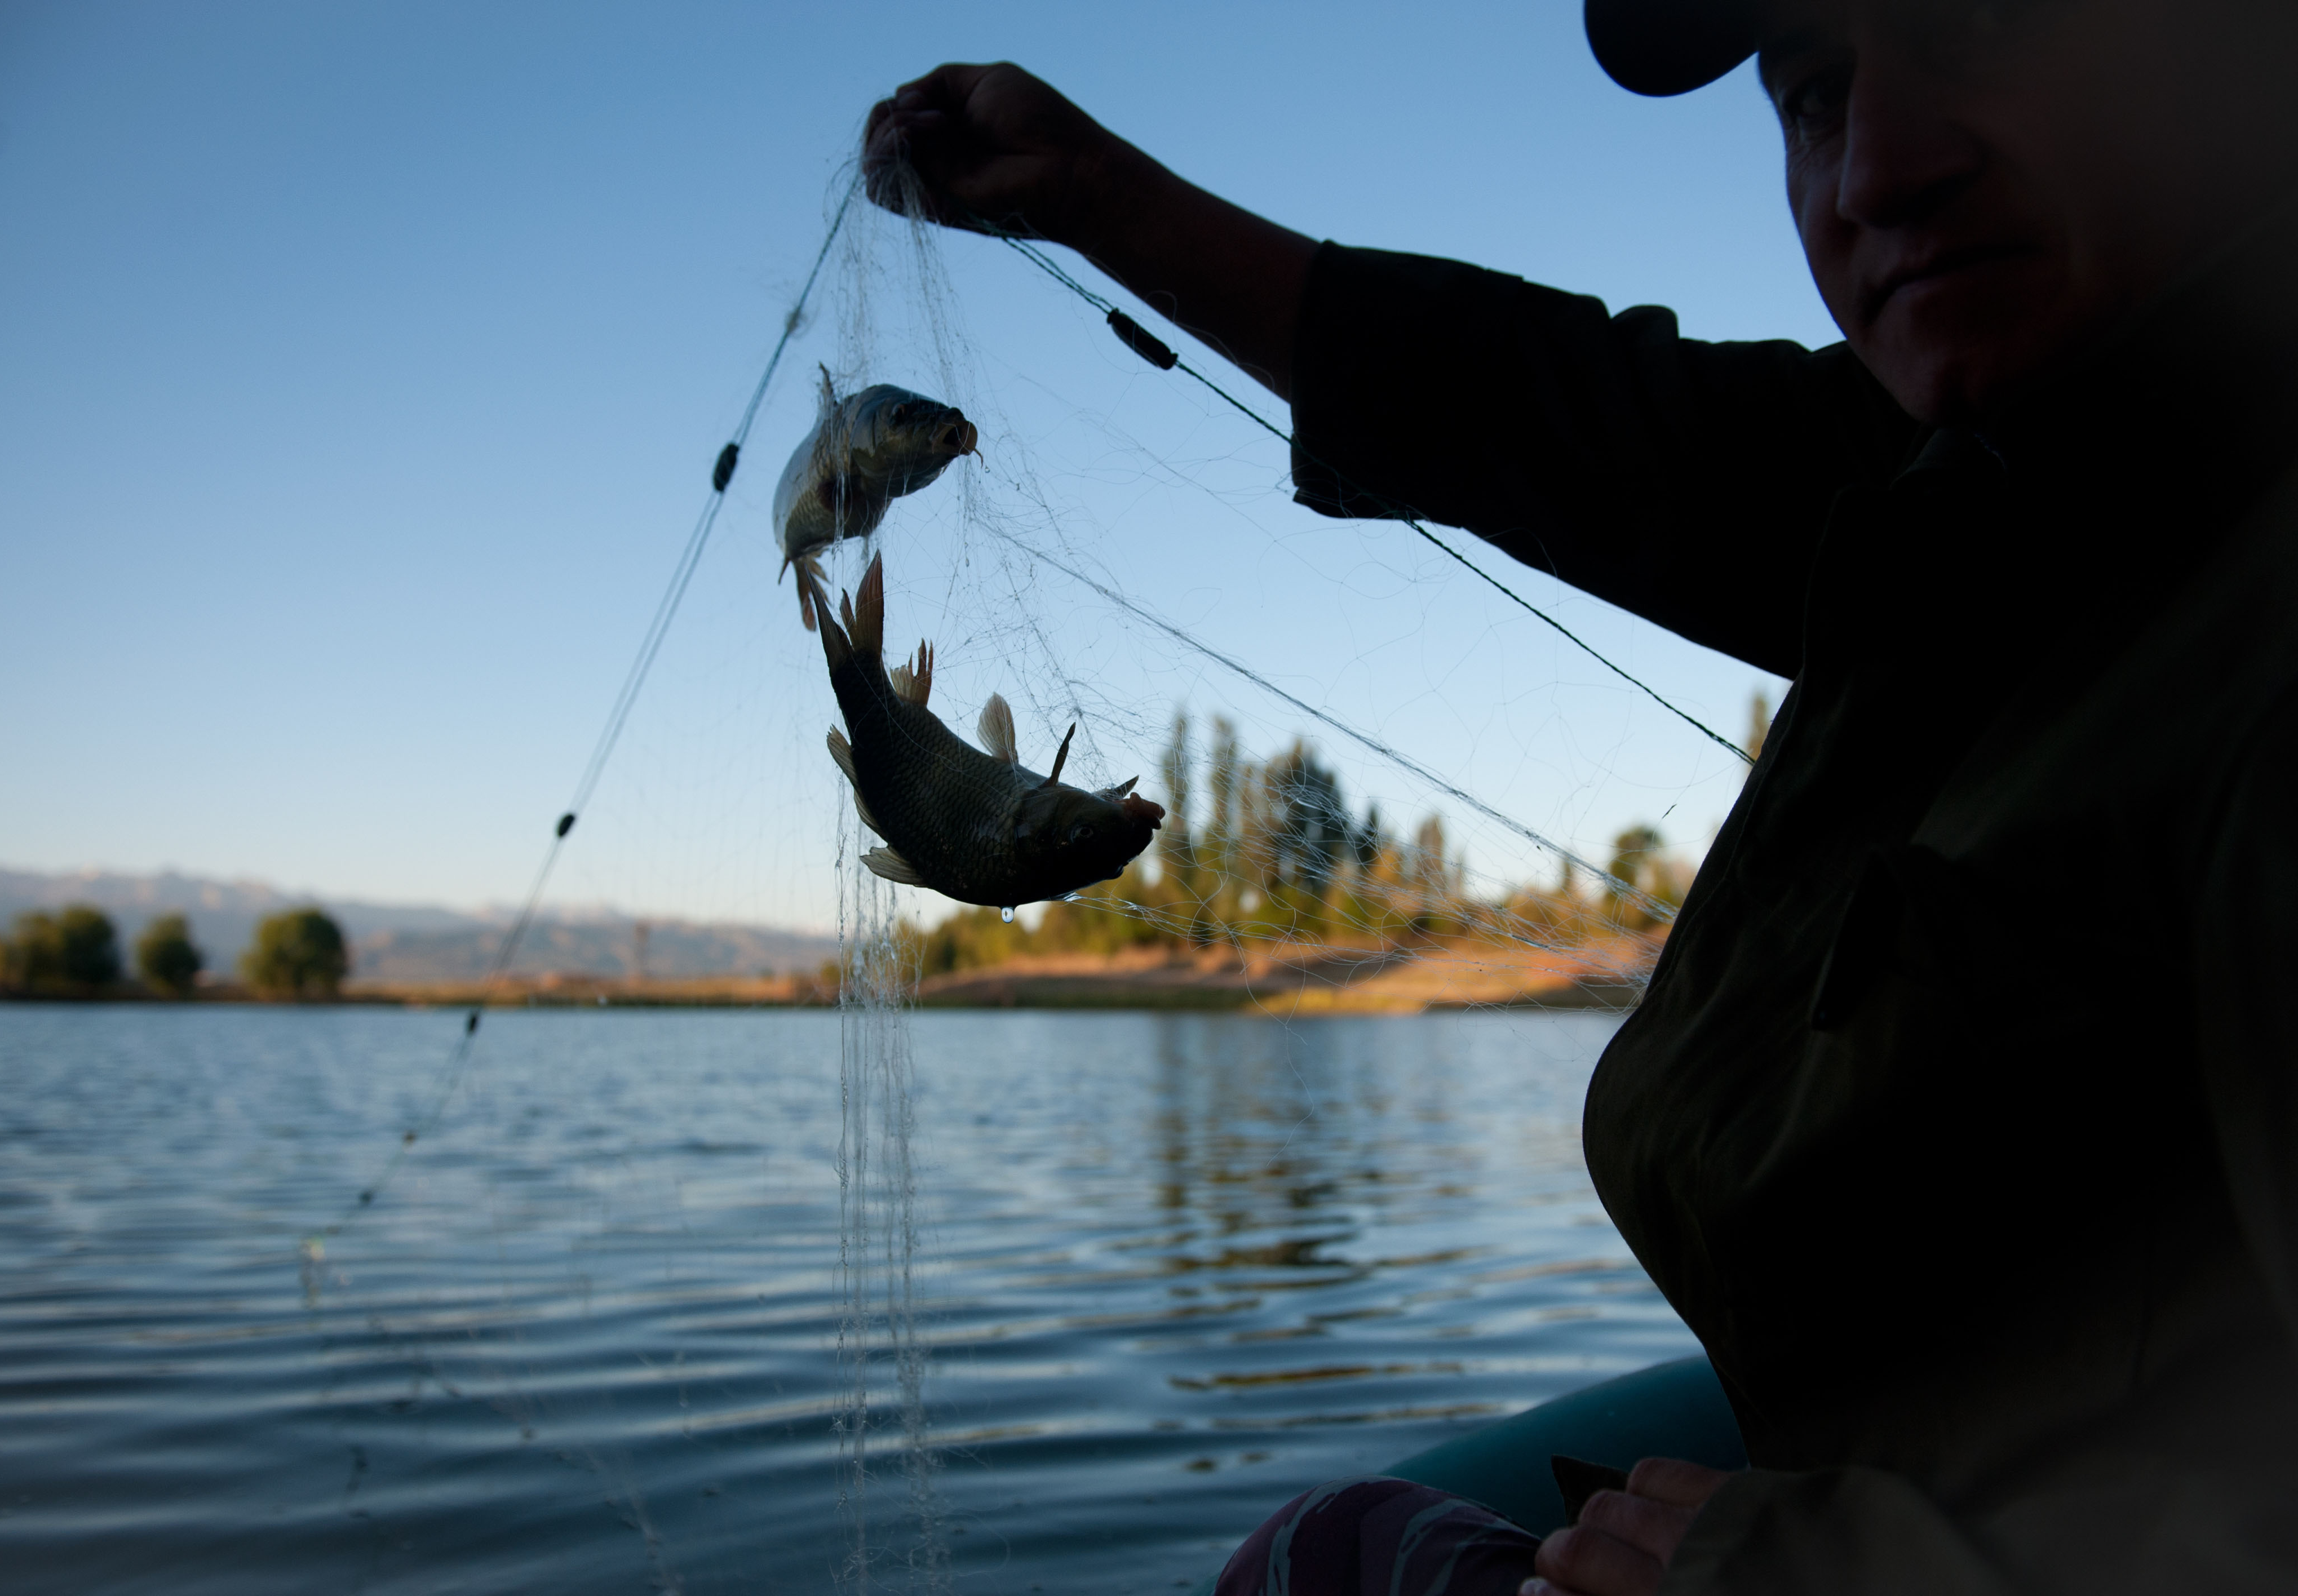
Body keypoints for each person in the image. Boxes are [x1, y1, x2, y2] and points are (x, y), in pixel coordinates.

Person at [864, 0, 2298, 1590]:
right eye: (1815, 93)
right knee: (1324, 1546)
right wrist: (1095, 192)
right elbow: (1574, 418)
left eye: (1981, 26)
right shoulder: (1982, 473)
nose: (1878, 170)